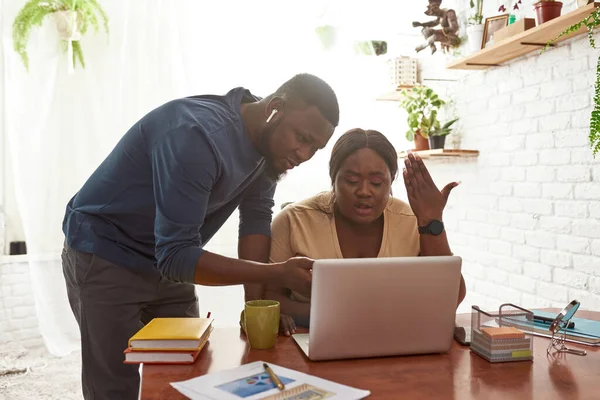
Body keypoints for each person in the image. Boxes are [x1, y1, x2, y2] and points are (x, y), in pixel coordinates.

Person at [61, 73, 339, 400]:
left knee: (186, 374)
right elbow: (177, 257)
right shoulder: (197, 137)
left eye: (315, 148)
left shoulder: (268, 149)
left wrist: (256, 309)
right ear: (274, 109)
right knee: (114, 385)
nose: (304, 154)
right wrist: (276, 272)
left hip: (170, 257)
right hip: (107, 251)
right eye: (301, 138)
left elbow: (256, 218)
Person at [265, 128, 466, 335]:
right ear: (333, 179)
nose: (364, 191)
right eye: (351, 181)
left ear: (391, 180)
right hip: (314, 341)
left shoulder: (410, 220)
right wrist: (349, 316)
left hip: (394, 341)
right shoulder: (293, 220)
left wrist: (431, 220)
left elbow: (451, 297)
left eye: (377, 182)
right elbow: (266, 298)